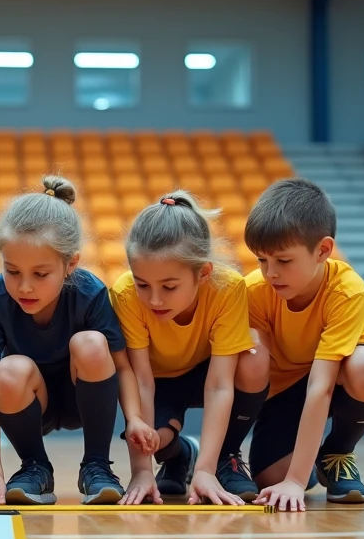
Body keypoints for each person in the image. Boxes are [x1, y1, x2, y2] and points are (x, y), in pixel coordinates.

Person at [0, 176, 156, 506]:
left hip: (85, 398)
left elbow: (123, 368)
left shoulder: (91, 292)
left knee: (91, 344)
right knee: (10, 369)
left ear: (71, 265)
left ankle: (97, 465)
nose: (25, 287)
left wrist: (135, 419)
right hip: (29, 405)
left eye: (40, 275)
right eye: (12, 272)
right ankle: (34, 467)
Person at [244, 178, 364, 510]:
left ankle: (338, 451)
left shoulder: (348, 291)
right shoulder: (253, 291)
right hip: (286, 385)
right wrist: (291, 477)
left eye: (283, 261)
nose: (271, 273)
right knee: (271, 478)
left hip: (337, 376)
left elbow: (321, 386)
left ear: (323, 251)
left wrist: (296, 483)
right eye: (261, 260)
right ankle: (308, 465)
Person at [112, 192, 268, 506]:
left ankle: (225, 458)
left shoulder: (228, 287)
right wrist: (141, 470)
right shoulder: (125, 294)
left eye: (169, 287)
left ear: (203, 273)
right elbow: (142, 381)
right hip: (159, 380)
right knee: (153, 439)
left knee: (254, 355)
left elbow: (220, 385)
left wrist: (206, 471)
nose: (154, 299)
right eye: (143, 284)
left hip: (205, 372)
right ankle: (182, 455)